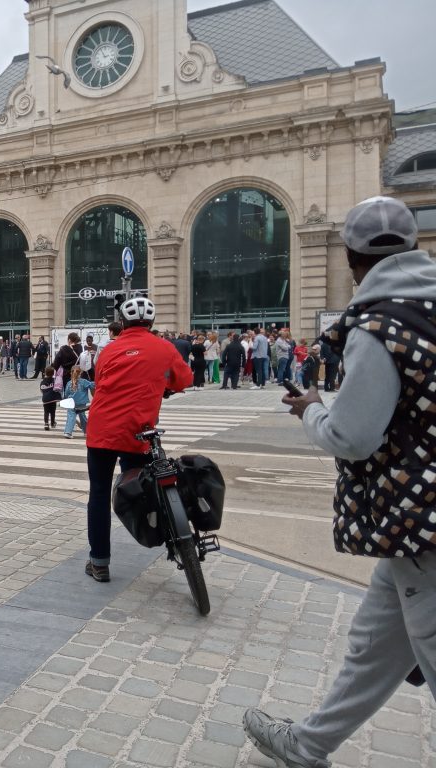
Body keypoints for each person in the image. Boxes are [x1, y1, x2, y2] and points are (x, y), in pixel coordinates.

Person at [244, 195, 436, 767]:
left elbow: (353, 436)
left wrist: (310, 409)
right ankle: (307, 745)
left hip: (422, 521)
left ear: (352, 258)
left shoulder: (381, 325)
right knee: (374, 646)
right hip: (415, 537)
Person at [85, 297, 192, 582]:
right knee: (147, 486)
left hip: (102, 431)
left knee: (98, 494)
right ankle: (169, 538)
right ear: (152, 323)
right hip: (138, 432)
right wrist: (164, 387)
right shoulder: (164, 348)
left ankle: (99, 562)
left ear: (122, 323)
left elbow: (100, 379)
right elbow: (184, 379)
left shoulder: (109, 349)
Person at [62, 365, 93, 439]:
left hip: (71, 403)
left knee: (71, 417)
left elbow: (66, 393)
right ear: (81, 373)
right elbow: (92, 385)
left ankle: (68, 432)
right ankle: (86, 432)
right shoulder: (84, 382)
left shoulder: (69, 383)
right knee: (82, 417)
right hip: (81, 403)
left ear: (71, 373)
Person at [39, 366, 59, 431]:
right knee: (53, 412)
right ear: (53, 373)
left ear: (45, 373)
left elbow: (41, 390)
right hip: (53, 399)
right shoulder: (54, 380)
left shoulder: (42, 382)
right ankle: (52, 423)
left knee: (46, 412)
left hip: (45, 399)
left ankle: (46, 423)